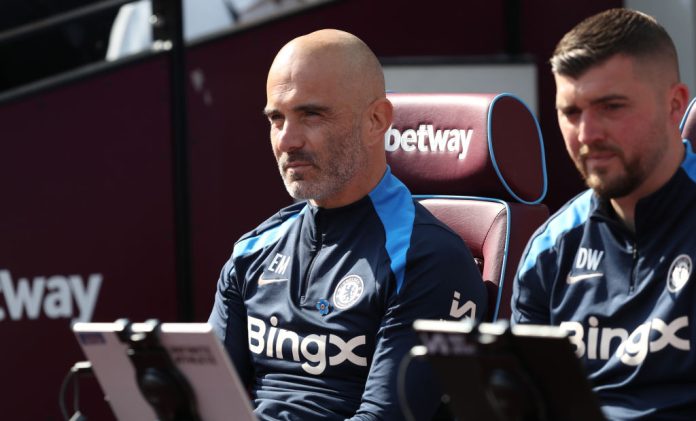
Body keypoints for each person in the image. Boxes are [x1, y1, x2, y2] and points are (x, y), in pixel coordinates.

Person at [208, 29, 487, 420]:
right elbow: (203, 400)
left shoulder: (428, 258)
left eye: (311, 114)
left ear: (376, 120)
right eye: (276, 119)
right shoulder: (251, 252)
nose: (287, 140)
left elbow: (384, 416)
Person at [512, 8, 696, 420]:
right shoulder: (549, 248)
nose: (587, 135)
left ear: (674, 104)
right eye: (571, 112)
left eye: (611, 107)